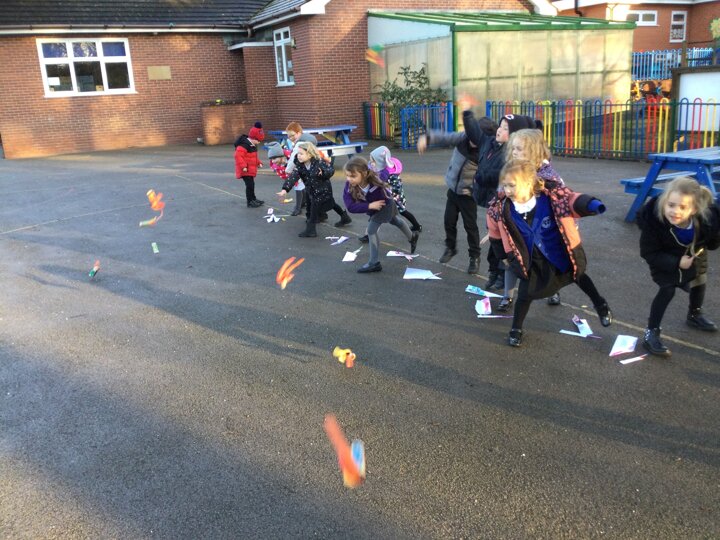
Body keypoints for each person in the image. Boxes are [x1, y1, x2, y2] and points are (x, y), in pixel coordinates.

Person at [487, 159, 609, 347]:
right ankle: (516, 329)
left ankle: (600, 304)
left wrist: (590, 204)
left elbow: (572, 200)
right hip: (532, 260)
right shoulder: (500, 209)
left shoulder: (552, 197)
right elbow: (495, 234)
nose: (507, 190)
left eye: (512, 185)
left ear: (528, 183)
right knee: (525, 295)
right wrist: (503, 257)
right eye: (505, 185)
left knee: (579, 276)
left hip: (558, 253)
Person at [496, 125, 611, 323]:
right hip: (526, 237)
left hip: (552, 236)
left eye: (519, 149)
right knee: (524, 280)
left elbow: (567, 201)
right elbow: (500, 203)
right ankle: (514, 321)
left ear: (533, 151)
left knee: (575, 273)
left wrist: (577, 219)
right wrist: (501, 227)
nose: (514, 152)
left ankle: (600, 304)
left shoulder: (549, 177)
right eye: (513, 148)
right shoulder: (511, 171)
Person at [637, 176, 720, 356]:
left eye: (682, 207)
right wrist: (676, 262)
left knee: (700, 279)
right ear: (664, 202)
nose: (675, 211)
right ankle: (651, 332)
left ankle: (694, 314)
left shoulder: (705, 221)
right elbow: (649, 253)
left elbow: (712, 243)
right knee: (667, 289)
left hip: (694, 254)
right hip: (664, 258)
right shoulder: (653, 223)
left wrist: (715, 234)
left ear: (694, 209)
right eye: (671, 205)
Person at [416, 116, 497, 274]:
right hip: (453, 191)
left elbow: (491, 178)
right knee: (449, 221)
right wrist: (427, 138)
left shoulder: (485, 153)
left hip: (468, 195)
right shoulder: (462, 138)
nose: (472, 140)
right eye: (471, 135)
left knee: (470, 227)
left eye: (476, 138)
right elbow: (445, 137)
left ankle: (474, 256)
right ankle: (450, 247)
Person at [463, 108, 533, 289]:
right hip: (494, 203)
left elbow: (500, 174)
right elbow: (474, 133)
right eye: (500, 126)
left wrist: (482, 177)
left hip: (508, 205)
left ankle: (503, 276)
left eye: (505, 128)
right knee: (496, 241)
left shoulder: (512, 155)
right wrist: (468, 115)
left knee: (505, 243)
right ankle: (494, 272)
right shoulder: (490, 142)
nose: (499, 130)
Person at [342, 156, 419, 273]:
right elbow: (350, 207)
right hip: (373, 208)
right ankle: (412, 237)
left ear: (364, 173)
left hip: (386, 205)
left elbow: (386, 171)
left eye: (353, 176)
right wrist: (369, 206)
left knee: (371, 230)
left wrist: (388, 163)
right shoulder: (349, 186)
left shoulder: (376, 178)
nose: (349, 179)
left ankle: (374, 263)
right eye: (347, 175)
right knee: (394, 220)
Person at [277, 142, 351, 237]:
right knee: (329, 204)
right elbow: (293, 177)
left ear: (310, 154)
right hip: (311, 190)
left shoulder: (319, 163)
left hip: (323, 189)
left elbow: (331, 170)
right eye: (298, 153)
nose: (298, 156)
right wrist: (285, 190)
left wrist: (323, 172)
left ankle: (311, 230)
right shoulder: (300, 165)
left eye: (301, 154)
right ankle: (344, 217)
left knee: (317, 207)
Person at [369, 146, 422, 232]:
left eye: (373, 161)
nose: (371, 163)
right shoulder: (380, 170)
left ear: (380, 161)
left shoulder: (392, 175)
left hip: (396, 198)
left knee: (403, 212)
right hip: (387, 197)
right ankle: (370, 233)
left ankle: (417, 226)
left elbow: (397, 188)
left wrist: (386, 188)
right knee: (379, 214)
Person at [267, 142, 304, 217]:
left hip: (299, 174)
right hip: (290, 177)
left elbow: (297, 167)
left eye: (274, 158)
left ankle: (298, 208)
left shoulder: (292, 158)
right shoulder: (277, 164)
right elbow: (284, 175)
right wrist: (287, 185)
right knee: (300, 188)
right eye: (271, 159)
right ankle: (303, 203)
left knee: (299, 189)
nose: (273, 161)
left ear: (281, 156)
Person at [234, 121, 265, 208]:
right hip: (245, 169)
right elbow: (238, 156)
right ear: (254, 138)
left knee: (252, 185)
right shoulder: (244, 145)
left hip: (249, 169)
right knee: (249, 185)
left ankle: (253, 199)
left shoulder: (252, 145)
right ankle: (250, 201)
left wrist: (258, 162)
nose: (259, 142)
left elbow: (253, 157)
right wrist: (243, 166)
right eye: (258, 141)